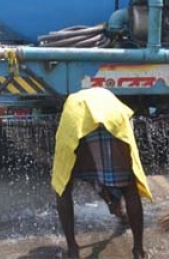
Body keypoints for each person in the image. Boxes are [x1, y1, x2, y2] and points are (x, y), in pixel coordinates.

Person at [51, 88, 151, 259]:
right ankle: (139, 251)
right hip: (113, 121)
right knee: (129, 187)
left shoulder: (74, 101)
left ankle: (73, 250)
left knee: (63, 184)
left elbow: (95, 175)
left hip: (78, 122)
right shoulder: (110, 100)